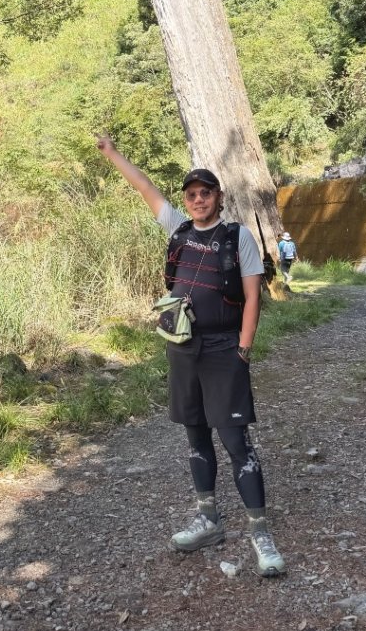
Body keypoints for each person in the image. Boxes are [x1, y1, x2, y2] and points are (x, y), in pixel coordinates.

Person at [95, 134, 286, 577]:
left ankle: (260, 532)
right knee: (196, 436)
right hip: (182, 349)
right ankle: (209, 520)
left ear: (219, 198)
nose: (198, 199)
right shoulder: (178, 229)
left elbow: (253, 296)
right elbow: (144, 187)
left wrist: (244, 347)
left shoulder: (237, 237)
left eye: (206, 193)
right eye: (192, 194)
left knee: (236, 441)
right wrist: (111, 153)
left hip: (224, 350)